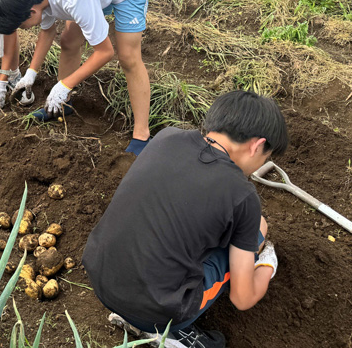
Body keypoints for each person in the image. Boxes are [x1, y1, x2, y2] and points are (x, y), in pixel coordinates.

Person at [82, 90, 288, 348]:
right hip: (155, 310)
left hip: (100, 276)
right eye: (264, 158)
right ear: (257, 146)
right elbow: (242, 299)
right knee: (259, 228)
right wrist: (267, 265)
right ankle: (168, 334)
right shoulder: (242, 195)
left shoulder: (166, 136)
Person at [0, 0, 152, 153]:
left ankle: (142, 136)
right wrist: (31, 74)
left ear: (31, 12)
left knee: (128, 57)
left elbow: (105, 52)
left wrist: (65, 84)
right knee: (68, 41)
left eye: (20, 25)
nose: (22, 29)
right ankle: (62, 106)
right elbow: (47, 32)